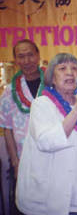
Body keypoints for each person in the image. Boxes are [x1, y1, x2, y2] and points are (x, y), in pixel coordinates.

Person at [16, 53, 77, 215]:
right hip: (45, 202)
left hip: (76, 200)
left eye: (74, 68)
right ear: (52, 77)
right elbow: (47, 141)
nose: (70, 72)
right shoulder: (41, 104)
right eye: (62, 69)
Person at [0, 39, 44, 178]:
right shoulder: (9, 91)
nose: (26, 61)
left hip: (53, 154)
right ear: (15, 60)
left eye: (30, 55)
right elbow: (7, 129)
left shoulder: (52, 83)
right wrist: (15, 162)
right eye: (21, 56)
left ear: (38, 56)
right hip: (24, 158)